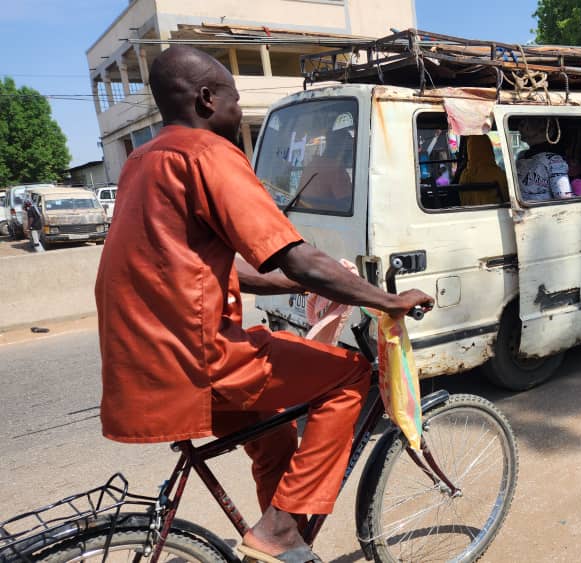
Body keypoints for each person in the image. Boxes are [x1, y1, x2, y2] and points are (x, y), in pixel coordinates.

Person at [94, 45, 434, 563]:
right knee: (348, 378)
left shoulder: (142, 161)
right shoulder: (206, 154)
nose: (237, 111)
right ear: (208, 100)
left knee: (274, 436)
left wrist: (305, 287)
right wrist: (389, 300)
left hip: (143, 364)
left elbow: (220, 269)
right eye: (234, 99)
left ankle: (282, 547)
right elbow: (295, 257)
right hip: (199, 357)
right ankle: (277, 534)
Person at [514, 117, 573, 201]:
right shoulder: (554, 160)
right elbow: (565, 197)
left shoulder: (522, 157)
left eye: (524, 124)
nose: (519, 127)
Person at [458, 134, 508, 205]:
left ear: (470, 150)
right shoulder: (498, 174)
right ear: (489, 148)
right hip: (494, 214)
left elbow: (463, 200)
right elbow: (507, 199)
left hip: (470, 214)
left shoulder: (464, 175)